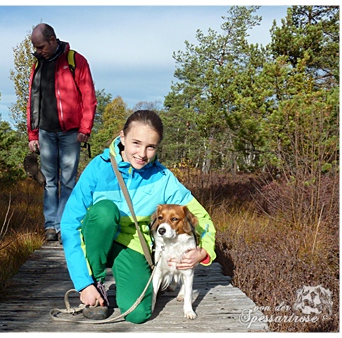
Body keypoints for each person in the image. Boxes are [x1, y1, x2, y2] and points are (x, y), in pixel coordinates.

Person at [60, 110, 216, 323]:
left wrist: (203, 250)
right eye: (136, 143)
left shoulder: (163, 178)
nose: (142, 153)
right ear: (122, 137)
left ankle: (137, 277)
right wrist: (83, 283)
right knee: (104, 212)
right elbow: (70, 223)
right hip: (97, 237)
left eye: (150, 146)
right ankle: (95, 283)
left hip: (132, 245)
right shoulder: (98, 169)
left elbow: (202, 219)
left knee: (138, 314)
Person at [27, 23, 97, 242]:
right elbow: (32, 100)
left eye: (41, 47)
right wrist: (33, 134)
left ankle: (62, 225)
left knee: (67, 181)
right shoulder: (37, 65)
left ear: (53, 40)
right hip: (46, 132)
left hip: (71, 133)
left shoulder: (75, 61)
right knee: (49, 181)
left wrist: (85, 128)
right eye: (35, 48)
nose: (38, 51)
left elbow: (89, 97)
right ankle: (50, 225)